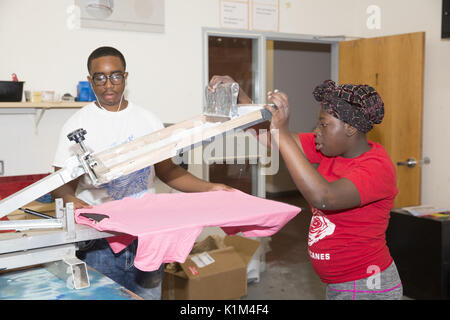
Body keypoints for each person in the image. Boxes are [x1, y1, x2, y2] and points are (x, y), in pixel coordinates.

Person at [52, 47, 232, 300]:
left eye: (115, 76)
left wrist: (210, 188)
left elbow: (167, 171)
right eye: (100, 78)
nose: (108, 85)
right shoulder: (75, 125)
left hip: (147, 236)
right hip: (100, 241)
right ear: (90, 80)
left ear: (126, 77)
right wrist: (79, 206)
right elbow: (60, 185)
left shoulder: (147, 120)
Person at [208, 76, 402, 300]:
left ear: (349, 128)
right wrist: (238, 93)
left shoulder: (376, 167)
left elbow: (324, 197)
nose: (317, 130)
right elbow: (268, 136)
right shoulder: (329, 149)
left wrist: (281, 132)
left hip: (367, 285)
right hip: (342, 284)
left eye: (324, 124)